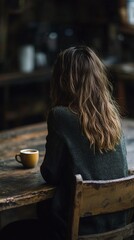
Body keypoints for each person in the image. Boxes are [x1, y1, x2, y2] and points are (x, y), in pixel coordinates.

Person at [39, 45, 129, 240]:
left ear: (62, 80)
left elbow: (50, 174)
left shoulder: (60, 116)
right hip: (119, 228)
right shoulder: (113, 117)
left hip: (80, 230)